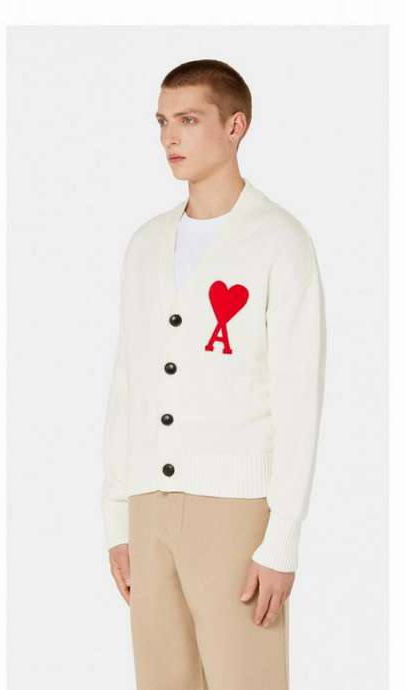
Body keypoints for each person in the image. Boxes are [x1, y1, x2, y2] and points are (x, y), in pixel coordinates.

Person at [101, 58, 327, 690]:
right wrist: (118, 518)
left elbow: (299, 397)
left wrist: (281, 540)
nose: (170, 138)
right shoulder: (146, 244)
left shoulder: (279, 241)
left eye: (189, 120)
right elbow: (127, 385)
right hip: (149, 508)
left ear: (235, 126)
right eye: (162, 122)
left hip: (235, 513)